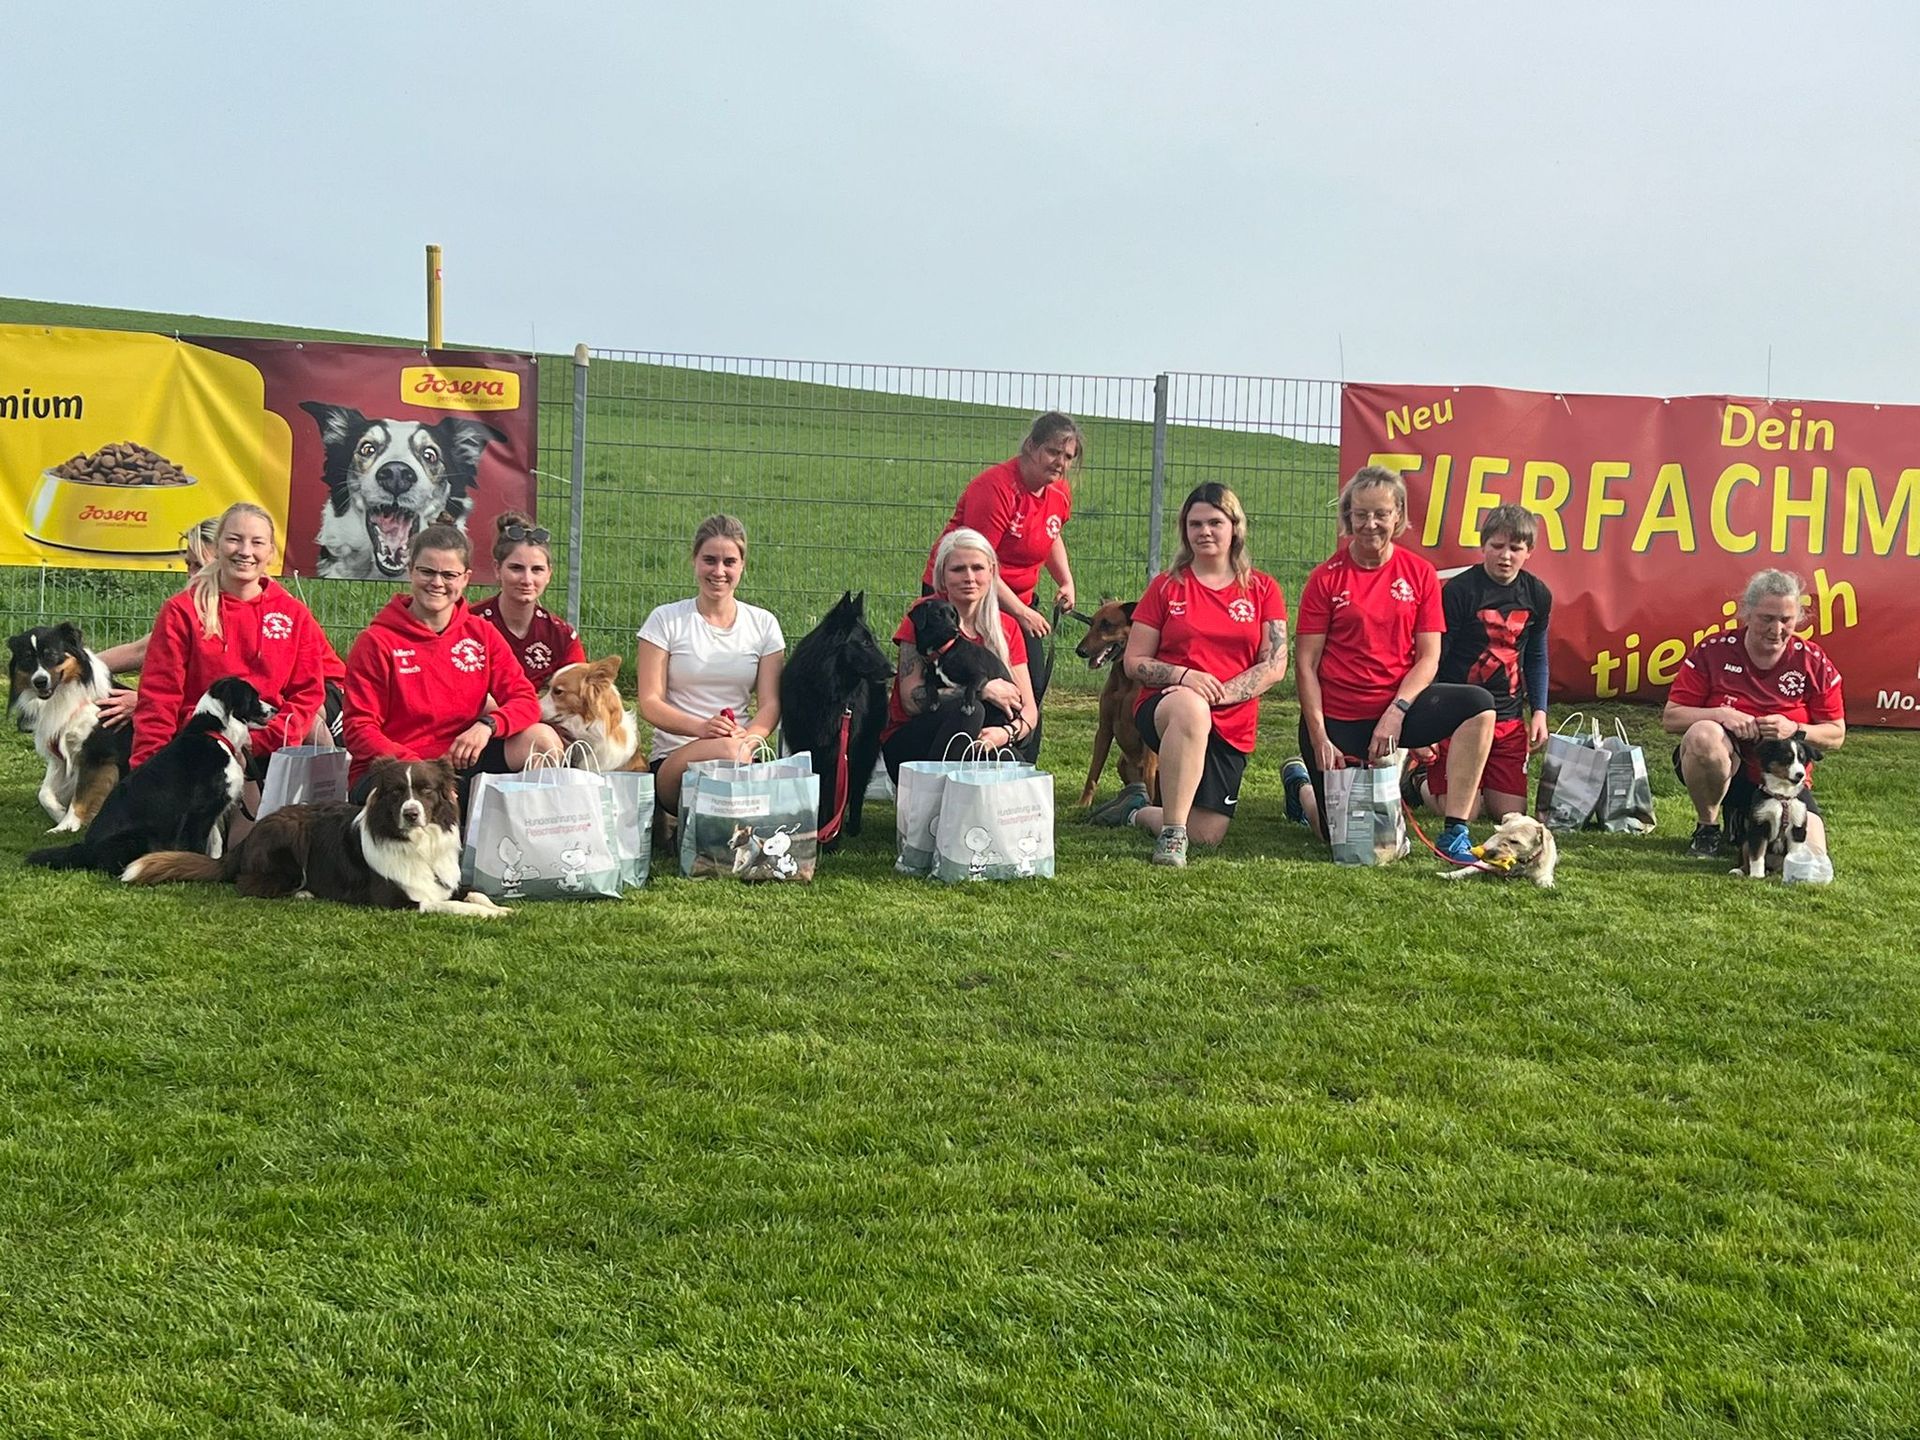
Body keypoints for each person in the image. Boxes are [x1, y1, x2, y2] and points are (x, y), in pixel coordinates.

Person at [1285, 465, 1496, 865]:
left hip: (1398, 711)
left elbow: (1429, 657)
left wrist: (1397, 712)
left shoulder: (1419, 573)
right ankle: (1301, 787)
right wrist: (1319, 737)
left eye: (1381, 514)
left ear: (1398, 514)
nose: (1370, 524)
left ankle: (1456, 831)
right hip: (1340, 717)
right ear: (1347, 516)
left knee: (1479, 705)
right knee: (1338, 837)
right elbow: (1305, 666)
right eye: (1361, 514)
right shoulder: (1325, 579)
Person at [1112, 482, 1288, 867]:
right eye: (1195, 524)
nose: (1204, 531)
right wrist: (1184, 676)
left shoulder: (1262, 589)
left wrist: (1221, 693)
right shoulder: (1166, 587)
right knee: (1191, 707)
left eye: (1214, 522)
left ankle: (1136, 810)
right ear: (1185, 530)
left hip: (1231, 719)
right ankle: (1173, 834)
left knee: (1207, 834)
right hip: (1169, 706)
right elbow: (1134, 661)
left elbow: (1275, 664)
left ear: (1235, 527)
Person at [129, 503, 333, 835]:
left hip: (261, 752)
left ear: (271, 552)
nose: (245, 551)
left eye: (257, 542)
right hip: (198, 752)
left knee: (249, 852)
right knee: (185, 844)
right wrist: (146, 775)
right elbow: (159, 698)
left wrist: (257, 743)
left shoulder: (293, 614)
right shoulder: (183, 611)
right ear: (219, 545)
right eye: (234, 539)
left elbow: (308, 694)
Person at [342, 524, 563, 803]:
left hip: (461, 760)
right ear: (410, 571)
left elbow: (525, 700)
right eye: (427, 572)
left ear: (466, 578)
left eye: (449, 575)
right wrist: (421, 772)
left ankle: (534, 825)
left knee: (542, 741)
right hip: (395, 771)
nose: (437, 583)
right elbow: (359, 729)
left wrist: (487, 726)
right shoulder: (376, 641)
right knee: (424, 800)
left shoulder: (481, 634)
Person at [98, 517, 347, 743]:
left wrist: (139, 699)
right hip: (249, 705)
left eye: (199, 565)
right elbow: (154, 666)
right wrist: (88, 666)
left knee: (305, 720)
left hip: (326, 691)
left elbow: (294, 691)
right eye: (189, 564)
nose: (191, 574)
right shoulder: (188, 607)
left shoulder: (283, 608)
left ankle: (331, 768)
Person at [920, 412, 1081, 753]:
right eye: (1053, 451)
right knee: (965, 680)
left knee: (1029, 687)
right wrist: (1021, 613)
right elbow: (979, 566)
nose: (1060, 463)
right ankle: (944, 755)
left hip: (1017, 597)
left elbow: (1051, 532)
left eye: (1068, 457)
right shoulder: (996, 488)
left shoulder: (1058, 492)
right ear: (1031, 446)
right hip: (962, 594)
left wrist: (1065, 580)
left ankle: (1020, 762)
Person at [1661, 568, 1845, 859]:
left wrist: (1794, 728)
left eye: (1786, 619)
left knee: (1810, 857)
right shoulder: (1713, 650)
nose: (1777, 629)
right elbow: (1672, 718)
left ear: (1798, 617)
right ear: (1746, 613)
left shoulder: (1813, 660)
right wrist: (1721, 714)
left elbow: (1836, 735)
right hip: (1730, 769)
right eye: (1767, 619)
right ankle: (1708, 828)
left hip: (1784, 780)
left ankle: (1744, 821)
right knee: (1704, 734)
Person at [1405, 503, 1553, 820]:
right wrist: (1426, 723)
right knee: (1464, 812)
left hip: (1508, 717)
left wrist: (1540, 711)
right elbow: (1435, 657)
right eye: (1497, 546)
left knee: (1510, 814)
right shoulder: (1459, 591)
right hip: (1459, 715)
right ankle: (1418, 780)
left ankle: (1479, 781)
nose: (1505, 556)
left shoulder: (1537, 594)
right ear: (1483, 545)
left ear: (1529, 551)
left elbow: (1537, 656)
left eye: (1515, 548)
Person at [635, 514, 786, 819]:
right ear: (694, 561)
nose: (719, 571)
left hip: (740, 755)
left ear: (742, 566)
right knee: (728, 752)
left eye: (729, 562)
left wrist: (749, 739)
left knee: (733, 754)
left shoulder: (764, 624)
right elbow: (649, 703)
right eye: (709, 560)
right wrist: (702, 728)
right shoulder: (664, 620)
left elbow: (770, 704)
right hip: (675, 760)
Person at [882, 528, 1038, 782]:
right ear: (942, 577)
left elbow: (1029, 710)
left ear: (992, 573)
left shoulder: (1007, 627)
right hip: (913, 743)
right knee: (971, 711)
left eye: (977, 568)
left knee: (1011, 763)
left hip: (980, 738)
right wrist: (981, 690)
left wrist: (1004, 734)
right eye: (958, 569)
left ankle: (961, 798)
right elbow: (911, 701)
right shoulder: (925, 615)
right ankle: (932, 797)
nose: (969, 577)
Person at [472, 510, 586, 692]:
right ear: (497, 569)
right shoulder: (469, 624)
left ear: (549, 574)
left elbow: (578, 697)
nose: (527, 580)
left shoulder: (562, 636)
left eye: (537, 570)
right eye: (516, 568)